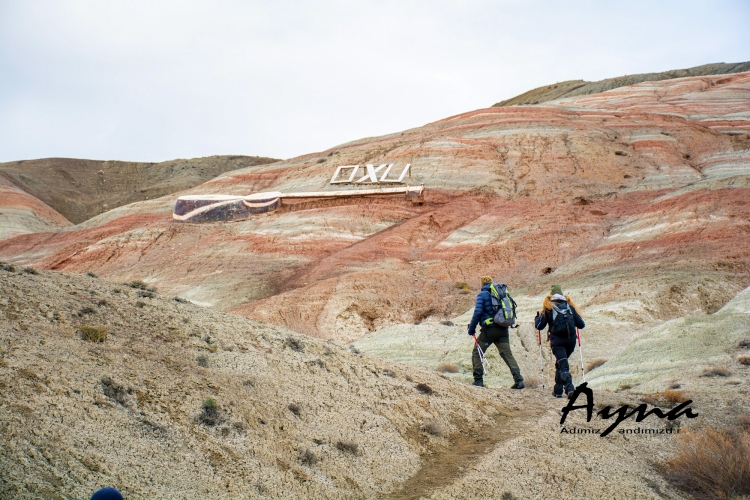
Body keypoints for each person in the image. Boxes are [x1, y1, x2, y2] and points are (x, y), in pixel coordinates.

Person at [467, 276, 524, 389]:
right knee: (507, 354)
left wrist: (471, 328)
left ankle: (478, 381)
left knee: (477, 353)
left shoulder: (482, 295)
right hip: (503, 328)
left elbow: (478, 312)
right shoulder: (500, 294)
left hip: (490, 330)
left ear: (482, 284)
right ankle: (519, 380)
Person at [534, 284, 585, 398]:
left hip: (557, 341)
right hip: (571, 341)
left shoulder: (548, 308)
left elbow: (539, 326)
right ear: (562, 294)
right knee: (561, 364)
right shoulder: (570, 307)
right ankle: (557, 391)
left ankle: (570, 389)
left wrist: (537, 318)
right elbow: (581, 325)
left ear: (551, 295)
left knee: (563, 365)